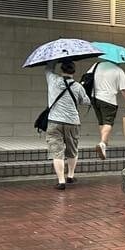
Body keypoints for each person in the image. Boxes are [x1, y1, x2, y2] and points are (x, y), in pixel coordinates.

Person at [45, 61, 90, 190]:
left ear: (61, 70)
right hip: (72, 122)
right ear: (74, 72)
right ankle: (70, 176)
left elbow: (48, 69)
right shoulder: (78, 86)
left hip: (54, 121)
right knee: (72, 150)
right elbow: (86, 101)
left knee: (57, 152)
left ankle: (61, 181)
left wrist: (55, 60)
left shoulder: (53, 80)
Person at [86, 58, 125, 159]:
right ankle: (102, 143)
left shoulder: (96, 65)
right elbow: (124, 90)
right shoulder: (119, 71)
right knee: (108, 122)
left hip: (95, 98)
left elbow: (87, 76)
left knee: (101, 122)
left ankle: (105, 140)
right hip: (108, 100)